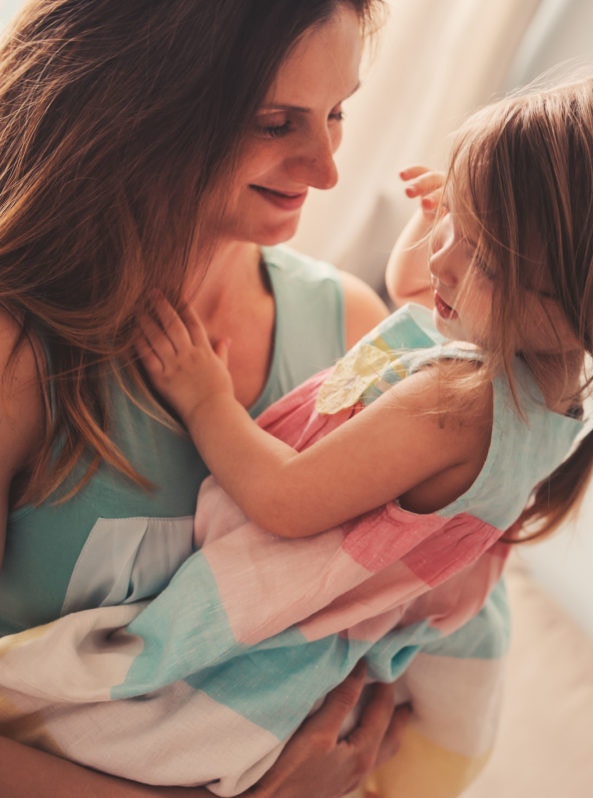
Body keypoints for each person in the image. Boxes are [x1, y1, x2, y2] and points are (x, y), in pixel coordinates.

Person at [0, 74, 593, 796]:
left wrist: (204, 398)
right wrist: (441, 227)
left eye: (479, 251)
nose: (442, 256)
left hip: (273, 656)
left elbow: (285, 499)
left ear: (577, 297)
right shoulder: (537, 385)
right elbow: (418, 298)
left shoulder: (458, 401)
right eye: (455, 222)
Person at [0, 1, 414, 795]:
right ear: (136, 107)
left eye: (336, 113)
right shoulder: (22, 351)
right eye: (273, 121)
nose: (326, 168)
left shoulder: (353, 335)